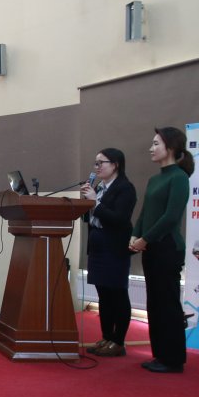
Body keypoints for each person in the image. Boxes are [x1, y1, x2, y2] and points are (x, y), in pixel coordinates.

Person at [130, 127, 194, 374]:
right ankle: (160, 354)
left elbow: (170, 217)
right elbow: (145, 213)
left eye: (156, 144)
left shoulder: (179, 177)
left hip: (167, 248)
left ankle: (173, 359)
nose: (151, 148)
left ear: (171, 147)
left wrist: (145, 239)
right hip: (151, 247)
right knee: (155, 303)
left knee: (167, 304)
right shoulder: (154, 179)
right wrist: (135, 235)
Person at [80, 148, 137, 357]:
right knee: (103, 294)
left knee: (117, 293)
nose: (97, 167)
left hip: (114, 247)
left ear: (115, 165)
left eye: (101, 163)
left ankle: (118, 341)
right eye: (95, 163)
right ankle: (106, 337)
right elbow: (90, 218)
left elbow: (119, 219)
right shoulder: (99, 187)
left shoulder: (125, 188)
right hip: (98, 245)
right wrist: (86, 203)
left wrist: (95, 202)